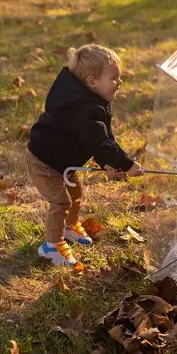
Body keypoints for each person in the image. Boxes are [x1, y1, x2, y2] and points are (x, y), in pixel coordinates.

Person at [26, 43, 144, 270]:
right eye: (114, 77)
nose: (120, 82)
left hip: (63, 161)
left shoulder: (93, 101)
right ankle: (52, 246)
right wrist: (127, 164)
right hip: (43, 161)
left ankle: (69, 226)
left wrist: (109, 162)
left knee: (76, 192)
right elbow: (100, 142)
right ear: (92, 82)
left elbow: (100, 139)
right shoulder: (84, 109)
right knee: (61, 200)